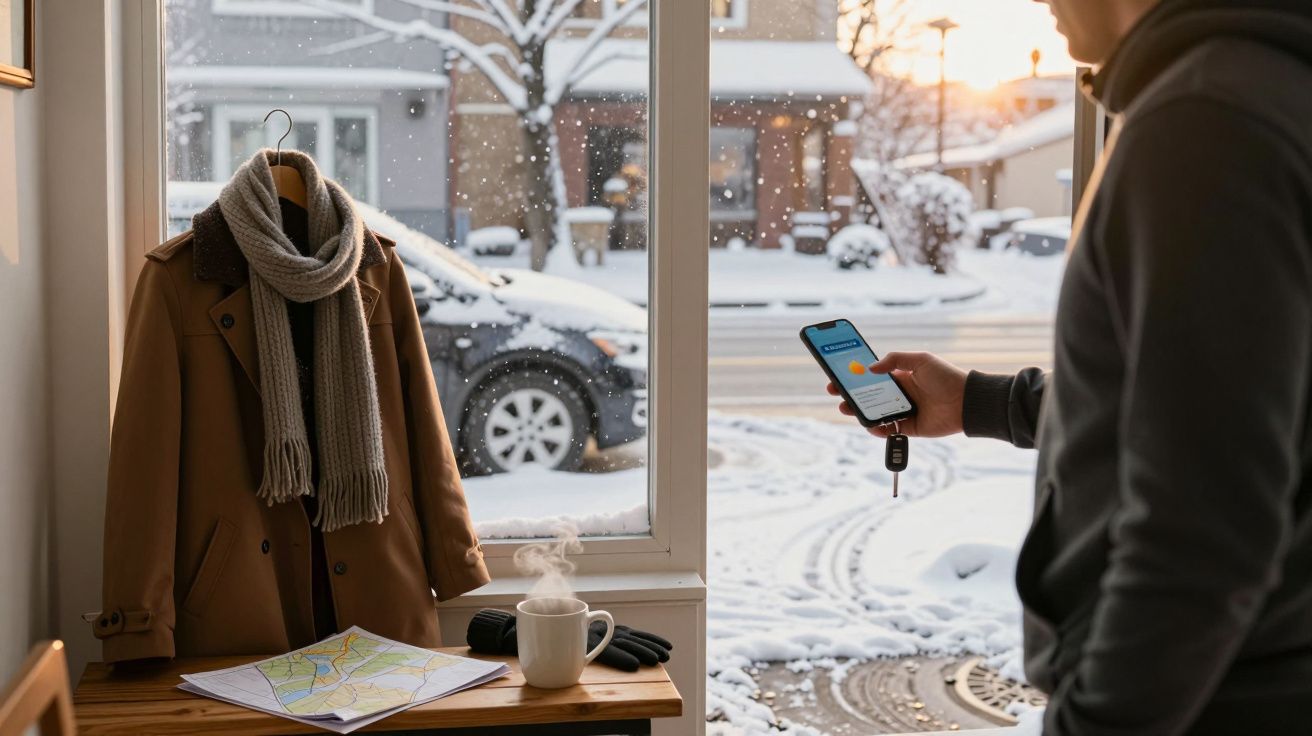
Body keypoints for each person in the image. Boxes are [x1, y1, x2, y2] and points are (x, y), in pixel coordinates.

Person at [829, 0, 1312, 733]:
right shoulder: (1259, 91)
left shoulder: (1204, 125)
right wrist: (976, 403)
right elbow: (1196, 408)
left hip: (1215, 701)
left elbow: (1203, 529)